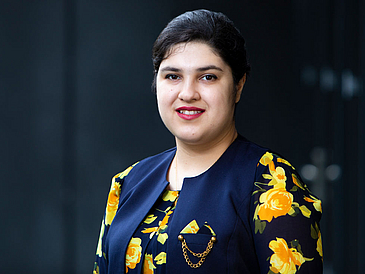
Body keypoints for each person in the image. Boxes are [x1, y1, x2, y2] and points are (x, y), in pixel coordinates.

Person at [93, 9, 323, 274]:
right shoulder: (129, 182)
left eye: (208, 77)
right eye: (172, 76)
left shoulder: (272, 183)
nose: (188, 93)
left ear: (238, 86)